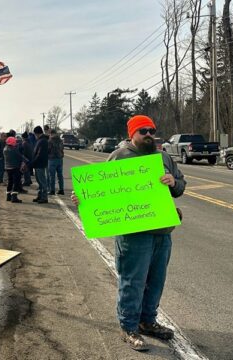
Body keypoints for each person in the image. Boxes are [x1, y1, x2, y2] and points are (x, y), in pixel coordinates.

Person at [71, 115, 186, 352]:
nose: (149, 134)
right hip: (134, 235)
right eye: (143, 130)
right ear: (132, 133)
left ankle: (147, 321)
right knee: (133, 281)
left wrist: (174, 182)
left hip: (162, 232)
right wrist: (83, 200)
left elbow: (181, 186)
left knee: (156, 281)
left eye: (151, 130)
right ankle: (129, 327)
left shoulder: (163, 157)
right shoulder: (119, 156)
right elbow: (101, 192)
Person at [3, 136, 26, 203]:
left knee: (10, 182)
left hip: (7, 168)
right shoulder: (14, 149)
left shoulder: (5, 149)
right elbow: (20, 157)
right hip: (15, 167)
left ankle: (8, 196)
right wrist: (27, 161)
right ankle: (14, 197)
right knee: (16, 182)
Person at [31, 125, 49, 204]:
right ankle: (40, 195)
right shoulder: (40, 140)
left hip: (40, 164)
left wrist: (33, 162)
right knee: (39, 181)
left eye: (35, 134)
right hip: (37, 164)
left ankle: (44, 197)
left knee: (42, 182)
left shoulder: (43, 141)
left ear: (37, 133)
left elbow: (40, 154)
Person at [48, 129, 65, 195]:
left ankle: (52, 190)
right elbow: (62, 148)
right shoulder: (60, 141)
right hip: (60, 159)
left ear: (51, 134)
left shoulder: (50, 141)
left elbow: (48, 150)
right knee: (60, 175)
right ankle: (61, 189)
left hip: (52, 159)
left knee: (52, 176)